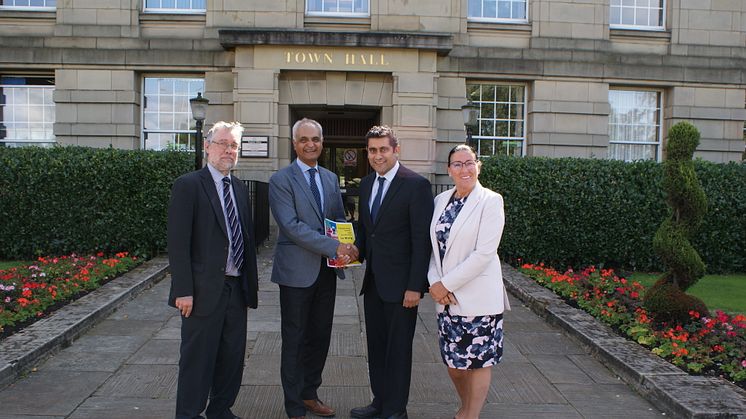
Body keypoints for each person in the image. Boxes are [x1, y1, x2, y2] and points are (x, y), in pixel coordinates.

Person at [167, 121, 259, 419]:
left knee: (232, 357)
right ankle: (189, 413)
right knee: (197, 359)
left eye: (234, 145)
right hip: (202, 291)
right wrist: (183, 291)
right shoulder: (189, 185)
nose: (228, 150)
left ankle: (221, 410)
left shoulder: (239, 189)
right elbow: (178, 243)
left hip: (235, 289)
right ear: (207, 146)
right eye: (222, 143)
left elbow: (245, 238)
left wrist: (249, 288)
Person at [269, 118, 359, 419]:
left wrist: (350, 246)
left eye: (316, 139)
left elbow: (335, 221)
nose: (311, 144)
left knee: (320, 336)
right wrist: (334, 247)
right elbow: (292, 227)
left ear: (322, 142)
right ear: (294, 143)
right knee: (294, 338)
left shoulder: (331, 178)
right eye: (304, 139)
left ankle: (310, 394)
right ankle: (294, 405)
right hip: (296, 273)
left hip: (326, 271)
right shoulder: (281, 179)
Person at [351, 126, 434, 419]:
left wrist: (416, 286)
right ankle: (380, 403)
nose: (377, 155)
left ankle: (396, 410)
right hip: (373, 281)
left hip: (402, 288)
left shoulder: (416, 185)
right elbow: (366, 230)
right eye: (372, 150)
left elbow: (421, 241)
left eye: (383, 149)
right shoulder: (366, 184)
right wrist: (354, 250)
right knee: (376, 347)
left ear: (396, 150)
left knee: (398, 351)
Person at [427, 144, 510, 419]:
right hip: (447, 300)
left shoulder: (491, 201)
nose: (465, 168)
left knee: (479, 362)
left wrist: (446, 284)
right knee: (455, 364)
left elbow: (484, 254)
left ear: (478, 165)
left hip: (478, 298)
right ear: (449, 170)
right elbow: (434, 251)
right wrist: (435, 283)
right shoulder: (441, 201)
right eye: (458, 164)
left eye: (469, 162)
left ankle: (469, 415)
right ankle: (466, 408)